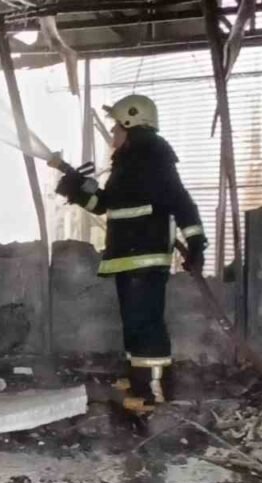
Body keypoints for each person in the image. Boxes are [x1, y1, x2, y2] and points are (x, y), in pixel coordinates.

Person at [49, 94, 207, 409]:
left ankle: (153, 391)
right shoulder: (127, 163)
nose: (112, 134)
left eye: (116, 128)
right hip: (127, 256)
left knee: (146, 324)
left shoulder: (154, 156)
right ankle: (139, 379)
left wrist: (195, 244)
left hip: (144, 256)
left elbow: (180, 201)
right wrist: (76, 188)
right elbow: (106, 204)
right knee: (134, 322)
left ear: (130, 123)